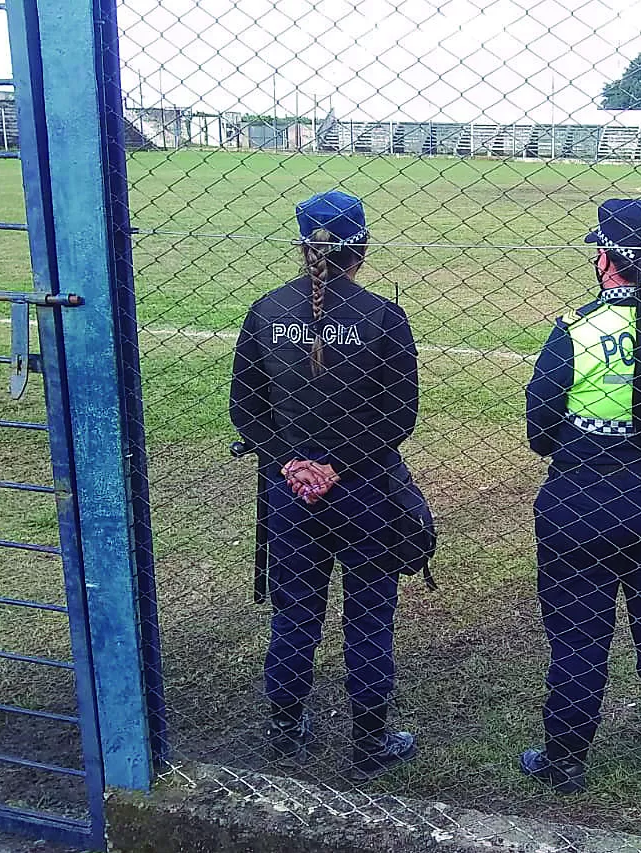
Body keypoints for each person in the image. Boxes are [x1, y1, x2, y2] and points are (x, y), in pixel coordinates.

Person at [522, 199, 641, 793]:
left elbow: (539, 427)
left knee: (579, 639)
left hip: (584, 505)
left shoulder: (576, 330)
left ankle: (565, 762)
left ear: (606, 259)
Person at [230, 189, 420, 780]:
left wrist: (292, 461)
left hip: (289, 494)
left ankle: (285, 729)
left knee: (294, 614)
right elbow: (400, 413)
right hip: (366, 491)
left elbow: (245, 407)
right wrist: (336, 462)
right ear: (361, 247)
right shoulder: (383, 316)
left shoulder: (265, 310)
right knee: (369, 616)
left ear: (300, 244)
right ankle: (370, 742)